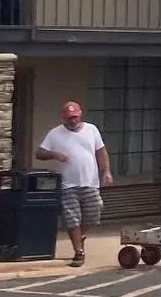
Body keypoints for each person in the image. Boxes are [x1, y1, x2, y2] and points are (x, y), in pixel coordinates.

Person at [36, 100, 111, 267]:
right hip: (67, 184)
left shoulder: (91, 130)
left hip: (90, 182)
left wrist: (106, 171)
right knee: (72, 219)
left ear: (80, 114)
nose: (73, 120)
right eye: (70, 117)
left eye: (75, 117)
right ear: (64, 117)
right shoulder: (55, 133)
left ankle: (79, 237)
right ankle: (79, 252)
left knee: (94, 213)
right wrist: (54, 154)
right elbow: (39, 153)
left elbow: (101, 152)